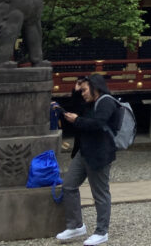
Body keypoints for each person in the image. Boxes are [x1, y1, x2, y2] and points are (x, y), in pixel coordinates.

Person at [57, 73, 120, 245]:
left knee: (100, 193)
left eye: (84, 90)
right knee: (69, 185)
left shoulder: (106, 101)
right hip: (84, 151)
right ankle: (76, 225)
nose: (82, 93)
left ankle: (102, 231)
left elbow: (98, 124)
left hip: (100, 153)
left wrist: (77, 120)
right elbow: (77, 108)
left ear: (95, 88)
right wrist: (75, 90)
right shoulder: (90, 102)